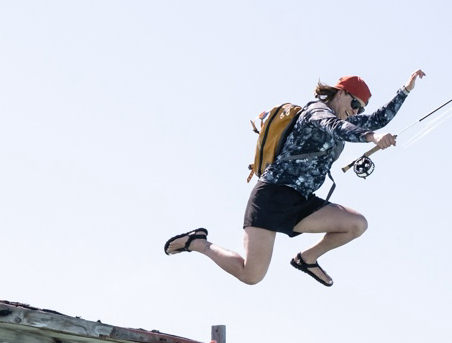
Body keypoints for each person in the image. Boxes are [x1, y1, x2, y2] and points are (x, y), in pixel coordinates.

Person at [164, 70, 425, 287]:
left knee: (356, 224)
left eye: (361, 109)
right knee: (250, 275)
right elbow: (338, 128)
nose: (356, 112)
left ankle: (306, 258)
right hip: (272, 196)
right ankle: (197, 242)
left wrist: (405, 91)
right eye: (355, 104)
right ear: (341, 93)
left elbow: (377, 119)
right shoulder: (316, 112)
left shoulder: (345, 116)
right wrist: (371, 138)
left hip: (302, 202)